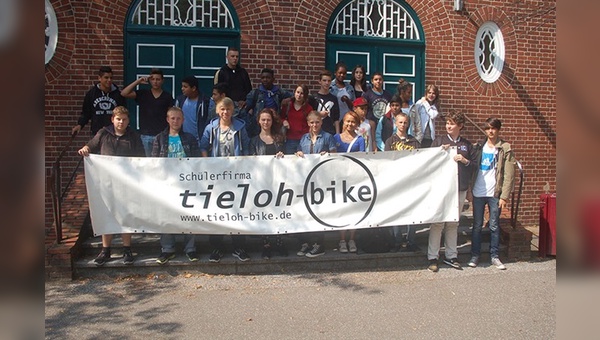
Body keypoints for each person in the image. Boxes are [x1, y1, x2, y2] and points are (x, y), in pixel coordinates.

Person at [77, 106, 145, 266]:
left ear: (128, 121)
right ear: (112, 119)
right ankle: (105, 250)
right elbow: (91, 145)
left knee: (125, 215)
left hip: (126, 183)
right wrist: (86, 148)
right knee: (106, 214)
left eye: (124, 119)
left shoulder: (133, 136)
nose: (121, 122)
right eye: (118, 119)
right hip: (106, 183)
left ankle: (127, 249)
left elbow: (142, 158)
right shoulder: (103, 133)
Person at [199, 97, 251, 262]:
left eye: (228, 109)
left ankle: (239, 246)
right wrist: (209, 164)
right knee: (217, 211)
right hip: (217, 176)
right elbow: (203, 147)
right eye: (222, 109)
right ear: (217, 110)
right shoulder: (211, 128)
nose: (225, 112)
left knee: (238, 211)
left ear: (232, 110)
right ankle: (217, 247)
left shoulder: (240, 127)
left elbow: (247, 147)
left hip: (236, 175)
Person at [152, 107, 201, 264]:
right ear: (167, 119)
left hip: (187, 183)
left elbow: (197, 161)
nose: (175, 121)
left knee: (189, 215)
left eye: (178, 118)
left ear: (183, 120)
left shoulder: (190, 138)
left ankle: (190, 249)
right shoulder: (159, 139)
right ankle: (167, 249)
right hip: (166, 183)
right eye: (172, 118)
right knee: (166, 216)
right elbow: (153, 162)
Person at [426, 111, 474, 272]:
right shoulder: (439, 140)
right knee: (438, 222)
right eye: (447, 123)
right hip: (442, 188)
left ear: (460, 126)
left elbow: (474, 166)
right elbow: (428, 160)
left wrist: (465, 160)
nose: (448, 126)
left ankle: (451, 255)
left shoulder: (466, 144)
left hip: (459, 188)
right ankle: (433, 256)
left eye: (452, 123)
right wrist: (440, 152)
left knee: (453, 222)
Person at [469, 117, 515, 270]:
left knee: (494, 225)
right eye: (488, 128)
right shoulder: (479, 146)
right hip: (478, 191)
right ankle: (475, 255)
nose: (490, 131)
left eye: (493, 128)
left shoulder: (504, 148)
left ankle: (494, 256)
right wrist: (470, 190)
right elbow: (472, 167)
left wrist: (504, 196)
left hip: (494, 193)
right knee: (477, 225)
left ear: (498, 130)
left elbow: (509, 174)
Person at [295, 111, 337, 258]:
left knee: (319, 212)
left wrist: (328, 154)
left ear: (321, 122)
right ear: (308, 123)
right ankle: (306, 242)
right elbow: (299, 153)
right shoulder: (304, 138)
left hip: (322, 180)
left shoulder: (328, 137)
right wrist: (298, 153)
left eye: (317, 122)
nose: (314, 125)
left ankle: (319, 244)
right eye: (312, 122)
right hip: (306, 180)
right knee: (305, 211)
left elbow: (335, 155)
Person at [248, 108, 286, 259]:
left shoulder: (279, 139)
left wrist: (282, 156)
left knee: (278, 212)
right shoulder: (253, 141)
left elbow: (287, 160)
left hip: (277, 181)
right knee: (264, 213)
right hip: (261, 183)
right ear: (258, 121)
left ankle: (279, 242)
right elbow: (250, 162)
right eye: (263, 119)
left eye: (268, 120)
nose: (265, 122)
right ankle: (266, 245)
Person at [383, 112, 421, 253]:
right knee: (396, 212)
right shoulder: (390, 141)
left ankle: (412, 241)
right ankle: (397, 241)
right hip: (395, 183)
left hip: (411, 182)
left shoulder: (414, 142)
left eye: (405, 122)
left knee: (413, 212)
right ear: (395, 123)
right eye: (400, 122)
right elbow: (386, 161)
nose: (403, 125)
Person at [120, 68, 174, 156]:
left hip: (162, 135)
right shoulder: (143, 94)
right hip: (146, 135)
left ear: (162, 81)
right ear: (149, 80)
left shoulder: (167, 96)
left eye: (158, 79)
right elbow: (124, 93)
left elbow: (171, 115)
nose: (155, 82)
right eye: (153, 79)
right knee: (147, 164)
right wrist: (138, 81)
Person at [334, 111, 365, 253]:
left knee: (354, 209)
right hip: (339, 178)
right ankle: (342, 240)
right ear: (343, 122)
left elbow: (363, 157)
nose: (350, 124)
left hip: (354, 178)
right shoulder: (336, 138)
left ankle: (352, 239)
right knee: (342, 209)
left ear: (357, 124)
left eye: (353, 122)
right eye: (347, 121)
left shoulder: (360, 140)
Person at [72, 66, 126, 136]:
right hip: (97, 132)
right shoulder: (92, 94)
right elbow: (86, 113)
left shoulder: (118, 94)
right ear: (99, 78)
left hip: (113, 133)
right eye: (106, 77)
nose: (109, 80)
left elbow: (122, 113)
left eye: (111, 78)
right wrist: (80, 124)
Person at [243, 68, 292, 138]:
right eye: (263, 78)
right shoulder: (255, 93)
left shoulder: (278, 92)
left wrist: (287, 100)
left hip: (274, 124)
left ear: (273, 79)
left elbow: (294, 96)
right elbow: (245, 109)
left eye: (268, 78)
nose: (265, 80)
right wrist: (250, 122)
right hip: (258, 127)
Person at [213, 47, 252, 116]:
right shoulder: (222, 72)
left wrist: (246, 102)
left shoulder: (243, 72)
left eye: (237, 56)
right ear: (227, 57)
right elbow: (219, 91)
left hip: (242, 107)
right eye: (232, 56)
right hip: (227, 107)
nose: (235, 59)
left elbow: (248, 89)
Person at [174, 76, 211, 143]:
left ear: (193, 88)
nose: (182, 89)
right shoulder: (180, 100)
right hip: (183, 140)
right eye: (182, 86)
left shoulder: (205, 101)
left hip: (200, 141)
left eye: (185, 87)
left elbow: (210, 120)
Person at [280, 84, 313, 154]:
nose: (299, 95)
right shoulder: (287, 105)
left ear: (305, 95)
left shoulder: (308, 108)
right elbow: (281, 117)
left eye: (302, 93)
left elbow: (311, 123)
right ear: (294, 93)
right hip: (290, 139)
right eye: (297, 92)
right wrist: (284, 121)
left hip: (304, 139)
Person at [363, 72, 393, 145]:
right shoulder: (367, 94)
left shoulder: (387, 95)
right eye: (376, 79)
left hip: (383, 125)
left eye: (380, 79)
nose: (378, 81)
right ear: (372, 81)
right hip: (371, 124)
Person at [329, 62, 355, 131]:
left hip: (347, 120)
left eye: (344, 73)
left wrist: (347, 100)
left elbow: (354, 106)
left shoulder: (349, 88)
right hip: (334, 120)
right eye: (340, 73)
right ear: (335, 73)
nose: (342, 75)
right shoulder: (330, 86)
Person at [313, 70, 340, 136]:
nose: (327, 83)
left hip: (330, 132)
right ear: (320, 81)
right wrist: (319, 114)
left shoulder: (334, 99)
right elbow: (309, 116)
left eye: (329, 81)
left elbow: (336, 119)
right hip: (316, 132)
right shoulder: (314, 98)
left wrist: (337, 134)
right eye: (324, 80)